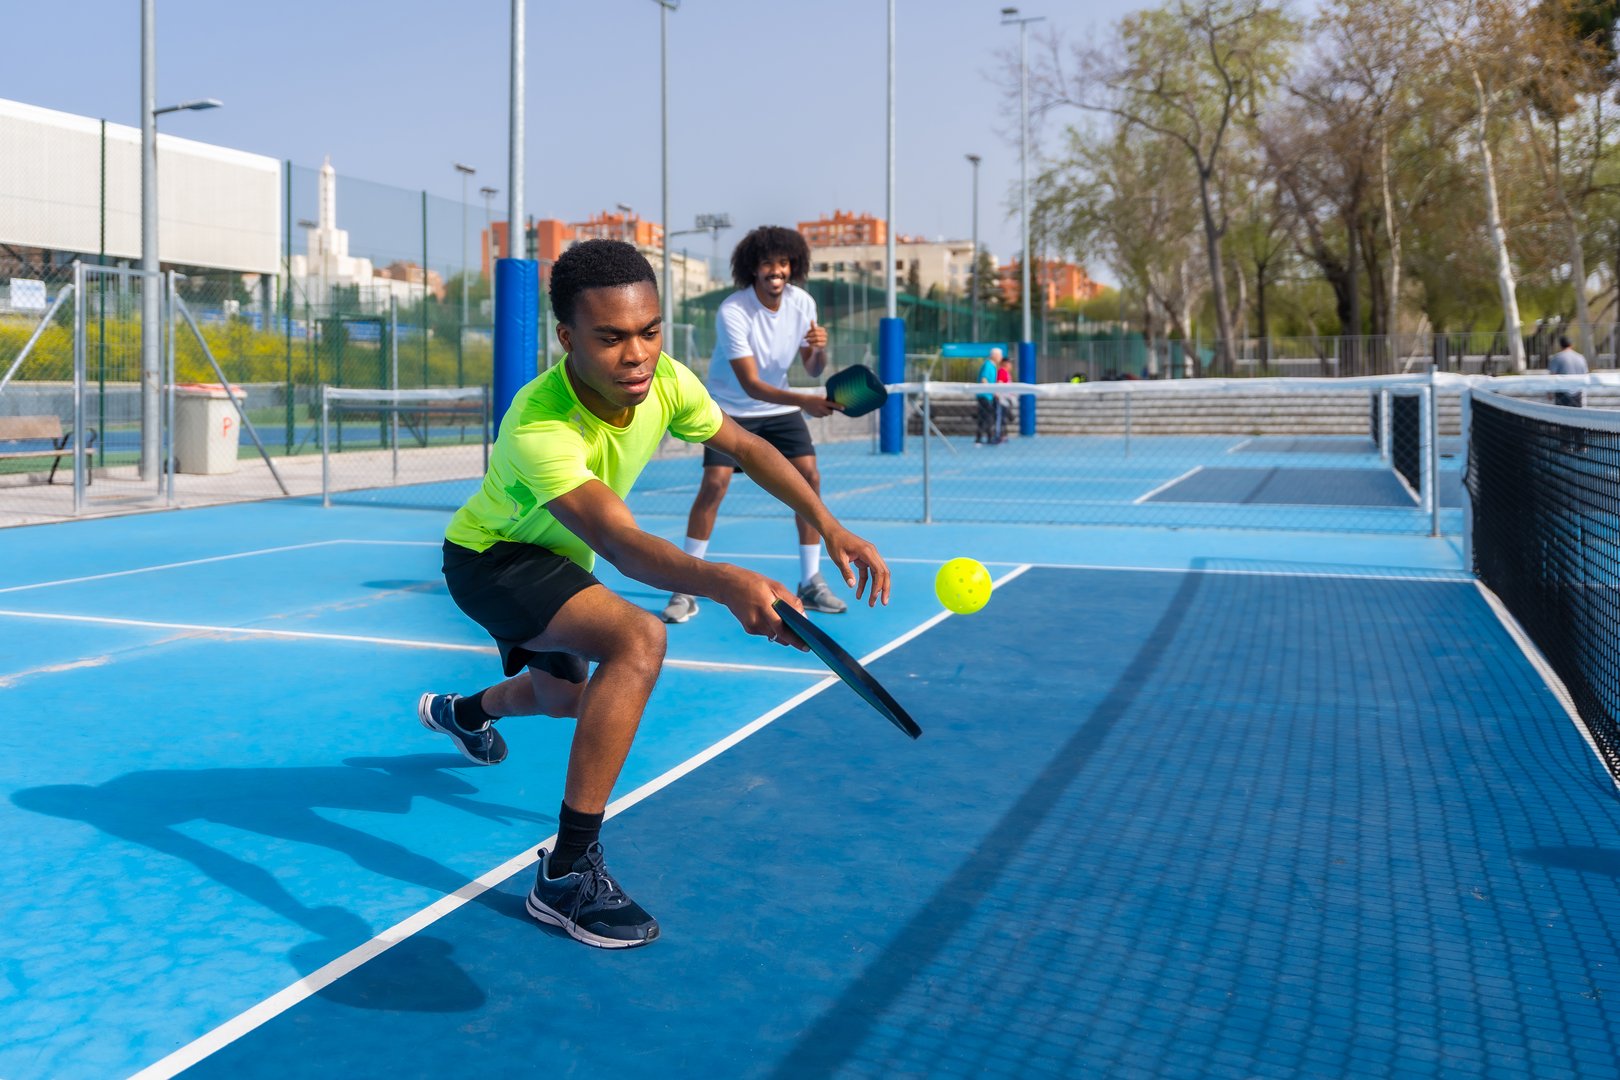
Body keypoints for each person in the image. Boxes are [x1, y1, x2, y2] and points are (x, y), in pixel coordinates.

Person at [420, 239, 889, 949]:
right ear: (567, 338)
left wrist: (831, 525)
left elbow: (750, 445)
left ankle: (462, 711)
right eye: (610, 338)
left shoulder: (665, 381)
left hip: (555, 559)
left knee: (562, 700)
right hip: (492, 560)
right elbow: (620, 543)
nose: (636, 354)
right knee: (639, 637)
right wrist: (730, 583)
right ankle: (566, 875)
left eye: (649, 331)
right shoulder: (538, 422)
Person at [661, 226, 851, 625]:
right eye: (768, 263)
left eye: (783, 263)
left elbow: (812, 366)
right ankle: (686, 585)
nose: (776, 270)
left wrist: (818, 348)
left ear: (792, 266)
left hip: (778, 408)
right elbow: (751, 384)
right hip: (730, 408)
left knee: (809, 477)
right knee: (714, 484)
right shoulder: (733, 310)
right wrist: (808, 401)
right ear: (753, 269)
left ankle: (810, 581)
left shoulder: (802, 303)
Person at [1548, 334, 1588, 407]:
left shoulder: (1556, 358)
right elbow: (1585, 375)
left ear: (1560, 345)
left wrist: (1550, 392)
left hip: (1562, 393)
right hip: (1578, 393)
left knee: (1561, 415)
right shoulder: (1580, 358)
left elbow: (1552, 376)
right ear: (1571, 344)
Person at [976, 347, 1001, 445]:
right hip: (984, 395)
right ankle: (990, 437)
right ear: (994, 356)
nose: (1000, 357)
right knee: (989, 416)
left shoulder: (992, 366)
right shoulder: (988, 365)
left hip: (988, 395)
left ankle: (979, 438)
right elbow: (984, 379)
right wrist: (991, 390)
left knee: (984, 416)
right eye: (999, 355)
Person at [995, 350, 1016, 441]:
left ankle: (1003, 434)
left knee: (1004, 417)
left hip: (1006, 398)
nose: (1011, 365)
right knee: (1002, 417)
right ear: (1004, 363)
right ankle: (1000, 435)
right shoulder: (1002, 371)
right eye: (1009, 363)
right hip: (1002, 399)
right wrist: (999, 396)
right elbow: (999, 383)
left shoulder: (1006, 373)